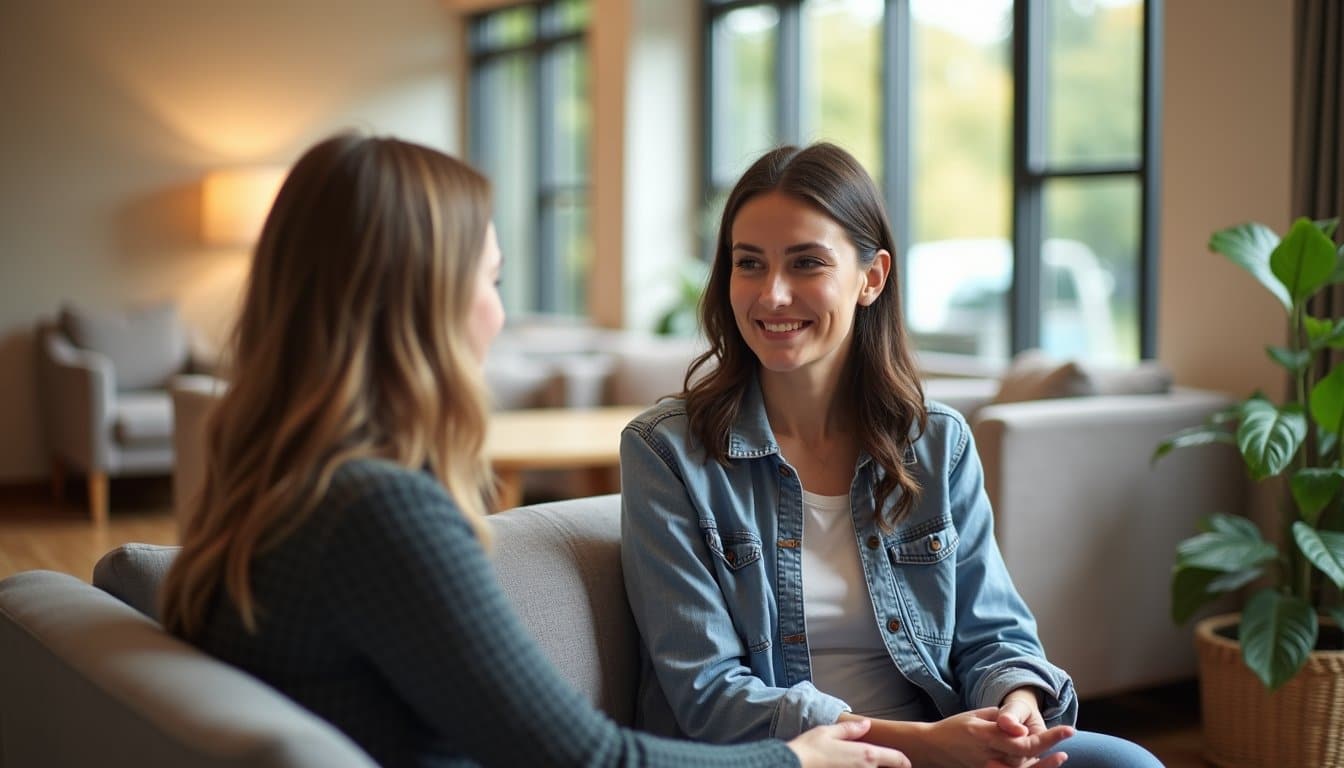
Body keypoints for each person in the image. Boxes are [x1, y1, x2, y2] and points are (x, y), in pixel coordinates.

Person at [158, 133, 912, 768]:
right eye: (489, 278)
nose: (499, 311)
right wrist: (796, 758)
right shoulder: (378, 511)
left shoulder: (275, 488)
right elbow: (588, 759)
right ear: (420, 299)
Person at [619, 143, 1164, 768]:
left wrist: (1014, 706)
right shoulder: (666, 452)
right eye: (749, 264)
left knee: (1127, 765)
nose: (771, 294)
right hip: (790, 759)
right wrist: (926, 746)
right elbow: (708, 696)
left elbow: (994, 630)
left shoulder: (936, 442)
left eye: (806, 263)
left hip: (944, 738)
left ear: (871, 278)